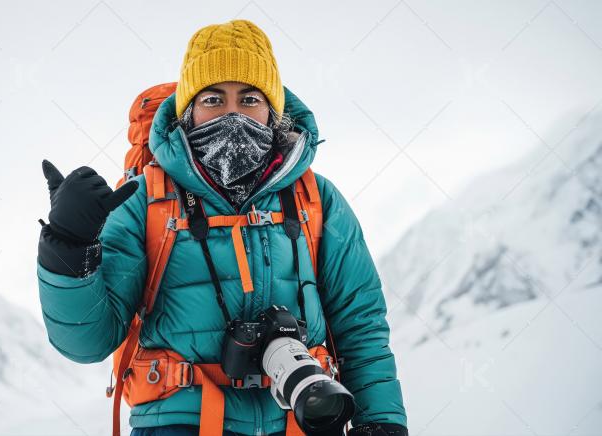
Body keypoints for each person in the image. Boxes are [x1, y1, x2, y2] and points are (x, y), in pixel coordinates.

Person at [37, 19, 408, 436]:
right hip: (178, 424)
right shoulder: (144, 200)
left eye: (249, 99)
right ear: (188, 111)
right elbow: (86, 343)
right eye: (213, 99)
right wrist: (69, 247)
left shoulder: (316, 199)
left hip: (303, 422)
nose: (233, 115)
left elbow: (361, 325)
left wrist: (382, 421)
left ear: (273, 111)